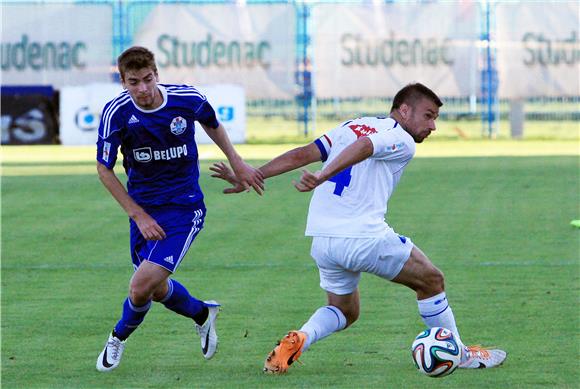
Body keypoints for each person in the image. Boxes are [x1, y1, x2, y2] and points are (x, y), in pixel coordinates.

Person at [210, 83, 507, 374]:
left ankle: (300, 338)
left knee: (345, 311)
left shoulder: (353, 124)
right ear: (404, 110)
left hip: (323, 241)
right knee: (431, 280)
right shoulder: (400, 139)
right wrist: (323, 175)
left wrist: (254, 174)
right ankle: (462, 354)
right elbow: (365, 147)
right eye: (428, 116)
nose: (433, 126)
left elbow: (305, 153)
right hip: (363, 238)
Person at [94, 46, 263, 372]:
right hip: (144, 211)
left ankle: (118, 337)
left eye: (147, 79)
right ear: (123, 81)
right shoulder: (116, 113)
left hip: (184, 208)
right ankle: (202, 313)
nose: (142, 88)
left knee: (139, 286)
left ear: (157, 74)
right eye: (133, 82)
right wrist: (138, 215)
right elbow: (104, 169)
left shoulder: (186, 99)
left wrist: (237, 162)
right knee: (155, 290)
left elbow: (212, 123)